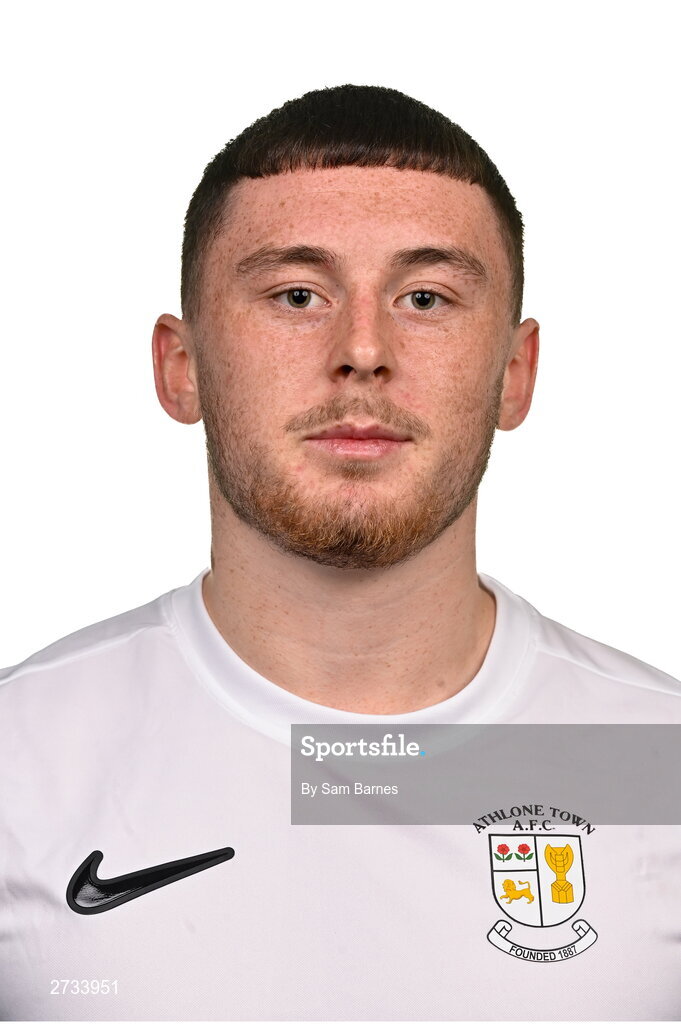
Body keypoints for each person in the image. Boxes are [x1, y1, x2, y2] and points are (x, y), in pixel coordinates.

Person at [1, 83, 680, 1022]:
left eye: (425, 297)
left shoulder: (658, 759)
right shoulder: (21, 762)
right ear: (181, 365)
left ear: (514, 375)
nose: (362, 349)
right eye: (295, 293)